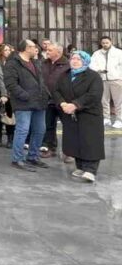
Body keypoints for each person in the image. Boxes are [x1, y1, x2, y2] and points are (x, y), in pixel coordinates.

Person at [53, 51, 105, 183]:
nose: (75, 61)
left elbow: (94, 94)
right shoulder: (65, 75)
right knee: (75, 140)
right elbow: (56, 91)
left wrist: (76, 104)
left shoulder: (93, 76)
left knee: (90, 141)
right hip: (70, 113)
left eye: (78, 59)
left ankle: (91, 170)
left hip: (89, 113)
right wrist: (62, 103)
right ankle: (80, 166)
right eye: (73, 59)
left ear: (85, 61)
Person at [4, 39, 50, 172]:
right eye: (33, 46)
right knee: (22, 130)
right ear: (26, 48)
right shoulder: (12, 64)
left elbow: (41, 81)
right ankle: (17, 159)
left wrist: (46, 94)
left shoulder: (35, 62)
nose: (36, 49)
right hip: (23, 102)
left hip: (39, 101)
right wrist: (25, 96)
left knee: (40, 129)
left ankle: (33, 157)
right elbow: (11, 84)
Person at [40, 42, 70, 158]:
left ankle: (69, 152)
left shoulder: (68, 64)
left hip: (63, 100)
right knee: (48, 125)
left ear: (58, 52)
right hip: (47, 100)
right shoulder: (43, 63)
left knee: (68, 126)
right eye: (47, 50)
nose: (47, 52)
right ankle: (50, 148)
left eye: (50, 50)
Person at [90, 36, 122, 129]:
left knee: (118, 101)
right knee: (104, 100)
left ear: (111, 42)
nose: (105, 44)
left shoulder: (119, 53)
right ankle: (106, 118)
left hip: (116, 79)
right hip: (102, 79)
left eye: (107, 42)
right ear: (101, 43)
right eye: (103, 43)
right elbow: (91, 65)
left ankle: (119, 119)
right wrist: (99, 70)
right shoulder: (97, 53)